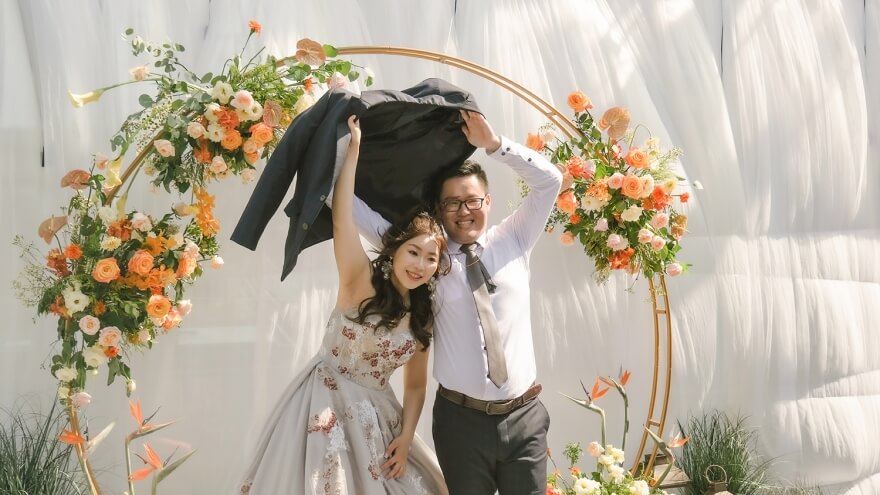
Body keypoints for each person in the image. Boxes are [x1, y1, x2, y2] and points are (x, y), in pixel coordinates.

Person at [350, 110, 563, 494]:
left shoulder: (515, 238)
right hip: (460, 423)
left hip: (525, 416)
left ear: (488, 201)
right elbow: (361, 215)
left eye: (472, 200)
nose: (464, 211)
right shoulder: (426, 255)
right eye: (452, 203)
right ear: (438, 210)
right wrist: (335, 159)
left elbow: (550, 181)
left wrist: (494, 145)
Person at [240, 116, 450, 495]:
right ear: (395, 251)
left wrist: (406, 437)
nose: (420, 264)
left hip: (380, 416)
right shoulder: (360, 280)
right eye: (413, 252)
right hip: (325, 399)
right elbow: (341, 219)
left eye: (430, 258)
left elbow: (416, 385)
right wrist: (352, 153)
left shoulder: (423, 314)